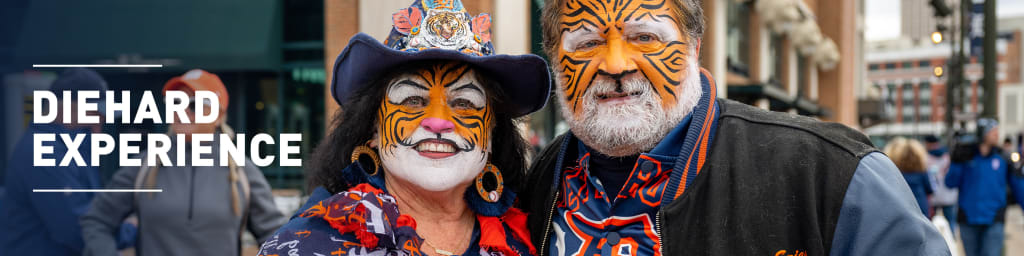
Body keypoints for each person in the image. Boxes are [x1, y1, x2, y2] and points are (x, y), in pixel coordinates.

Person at [520, 0, 950, 255]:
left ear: (694, 49)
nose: (615, 64)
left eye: (645, 37)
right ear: (556, 61)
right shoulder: (537, 182)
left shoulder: (830, 176)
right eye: (588, 43)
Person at [256, 1, 550, 255]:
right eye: (412, 100)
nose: (438, 121)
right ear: (373, 128)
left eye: (464, 102)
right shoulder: (305, 245)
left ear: (492, 132)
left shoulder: (529, 238)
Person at [81, 69, 286, 256]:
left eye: (194, 105)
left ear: (219, 116)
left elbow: (277, 238)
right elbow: (97, 221)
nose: (182, 110)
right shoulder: (143, 166)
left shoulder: (242, 171)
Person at [0, 68, 137, 255]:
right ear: (64, 107)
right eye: (94, 112)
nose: (99, 123)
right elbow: (76, 230)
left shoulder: (75, 144)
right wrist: (130, 230)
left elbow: (94, 208)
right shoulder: (44, 150)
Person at [945, 118, 1024, 256]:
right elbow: (950, 183)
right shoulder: (966, 156)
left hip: (994, 218)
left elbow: (1018, 186)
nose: (997, 135)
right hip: (968, 218)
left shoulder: (1003, 157)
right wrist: (956, 161)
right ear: (983, 133)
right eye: (993, 132)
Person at [884, 137, 934, 216]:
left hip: (900, 208)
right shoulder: (922, 171)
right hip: (920, 207)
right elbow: (930, 189)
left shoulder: (894, 172)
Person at [925, 135, 957, 234]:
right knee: (950, 223)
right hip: (949, 195)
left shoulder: (925, 158)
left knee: (931, 225)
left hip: (934, 196)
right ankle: (952, 244)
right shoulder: (948, 156)